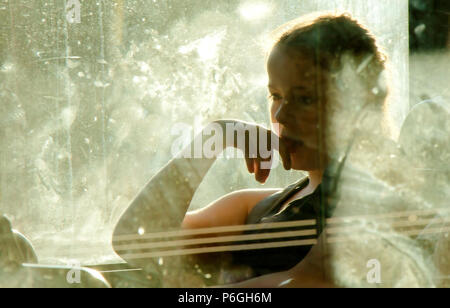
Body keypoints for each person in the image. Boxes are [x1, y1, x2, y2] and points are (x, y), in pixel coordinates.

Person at [112, 12, 390, 287]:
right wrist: (217, 136)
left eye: (305, 98)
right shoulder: (254, 208)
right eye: (276, 96)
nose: (280, 115)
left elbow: (301, 283)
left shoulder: (369, 206)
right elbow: (134, 241)